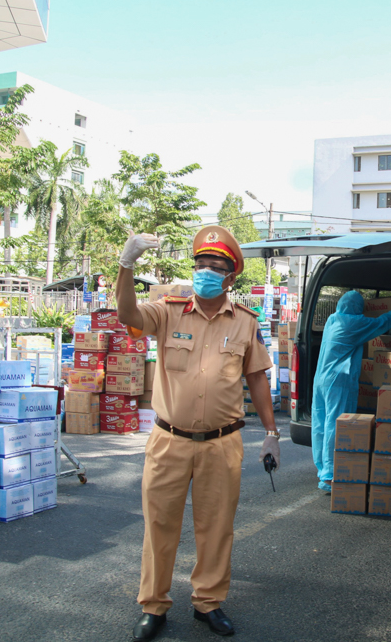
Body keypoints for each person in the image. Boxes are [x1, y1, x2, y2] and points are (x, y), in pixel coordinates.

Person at [117, 226, 280, 640]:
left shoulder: (245, 323)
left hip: (223, 444)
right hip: (169, 440)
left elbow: (258, 378)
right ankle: (153, 605)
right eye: (200, 265)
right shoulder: (167, 310)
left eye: (215, 267)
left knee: (216, 526)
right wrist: (126, 265)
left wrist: (272, 432)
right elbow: (127, 316)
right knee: (159, 525)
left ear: (230, 277)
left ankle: (208, 602)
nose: (205, 272)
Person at [311, 291, 391, 492]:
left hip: (321, 378)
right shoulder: (354, 323)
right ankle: (331, 475)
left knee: (321, 424)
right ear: (358, 308)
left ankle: (323, 469)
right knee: (336, 425)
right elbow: (380, 323)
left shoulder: (332, 319)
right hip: (337, 381)